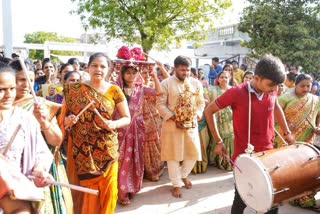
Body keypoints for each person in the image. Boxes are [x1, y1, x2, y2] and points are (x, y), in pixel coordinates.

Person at [204, 54, 295, 214]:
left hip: (268, 154)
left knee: (271, 200)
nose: (275, 89)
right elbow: (209, 110)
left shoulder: (272, 90)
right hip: (245, 156)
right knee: (242, 199)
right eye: (271, 85)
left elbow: (276, 106)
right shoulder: (236, 92)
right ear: (257, 78)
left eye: (277, 85)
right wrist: (218, 141)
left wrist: (287, 132)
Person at [61, 52, 130, 214]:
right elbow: (61, 119)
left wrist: (113, 123)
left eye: (102, 66)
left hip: (107, 148)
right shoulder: (73, 90)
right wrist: (67, 121)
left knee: (108, 191)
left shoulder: (115, 90)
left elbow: (127, 118)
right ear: (88, 67)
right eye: (94, 65)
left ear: (109, 70)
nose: (98, 69)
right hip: (81, 151)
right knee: (85, 193)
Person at [10, 60, 73, 214]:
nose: (26, 85)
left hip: (37, 170)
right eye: (21, 80)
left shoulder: (40, 105)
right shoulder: (4, 106)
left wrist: (43, 121)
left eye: (30, 80)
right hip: (9, 171)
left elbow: (56, 140)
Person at [0, 65, 53, 214]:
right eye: (1, 90)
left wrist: (39, 170)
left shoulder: (24, 118)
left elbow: (40, 152)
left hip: (18, 195)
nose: (8, 95)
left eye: (11, 88)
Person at [156, 55, 205, 198]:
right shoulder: (166, 83)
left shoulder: (196, 83)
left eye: (188, 70)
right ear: (175, 68)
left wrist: (197, 115)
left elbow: (200, 102)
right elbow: (160, 104)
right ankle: (176, 184)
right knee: (173, 156)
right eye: (182, 70)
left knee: (193, 153)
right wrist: (173, 118)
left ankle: (183, 175)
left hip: (191, 124)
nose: (186, 73)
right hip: (172, 124)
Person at [115, 64, 162, 204]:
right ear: (122, 74)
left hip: (137, 127)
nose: (130, 75)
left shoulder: (141, 89)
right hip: (121, 128)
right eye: (127, 73)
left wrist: (154, 75)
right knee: (122, 159)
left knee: (136, 157)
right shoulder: (116, 88)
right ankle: (122, 191)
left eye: (133, 72)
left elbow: (159, 92)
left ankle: (131, 187)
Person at [274, 73, 320, 211]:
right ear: (295, 84)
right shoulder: (284, 98)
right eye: (302, 86)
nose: (306, 89)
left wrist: (318, 127)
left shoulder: (315, 100)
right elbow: (272, 116)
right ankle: (289, 194)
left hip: (307, 139)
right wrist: (286, 124)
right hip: (287, 140)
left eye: (309, 86)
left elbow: (318, 117)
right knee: (288, 168)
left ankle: (305, 198)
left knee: (306, 168)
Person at [140, 67, 165, 181]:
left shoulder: (152, 86)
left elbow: (160, 93)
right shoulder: (136, 88)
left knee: (156, 144)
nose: (147, 75)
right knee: (144, 145)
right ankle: (146, 171)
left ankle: (156, 170)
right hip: (140, 118)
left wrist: (155, 77)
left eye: (148, 73)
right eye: (144, 72)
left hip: (154, 118)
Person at [207, 71, 234, 171]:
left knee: (229, 137)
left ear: (229, 78)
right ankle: (217, 160)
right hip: (216, 117)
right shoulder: (212, 90)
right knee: (218, 136)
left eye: (226, 77)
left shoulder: (233, 90)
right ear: (217, 79)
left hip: (230, 118)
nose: (224, 79)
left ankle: (227, 161)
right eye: (221, 77)